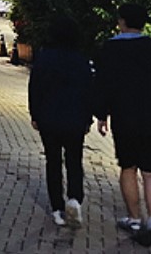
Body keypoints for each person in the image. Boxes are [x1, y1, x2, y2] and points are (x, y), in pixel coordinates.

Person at [93, 3, 151, 246]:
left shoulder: (110, 49)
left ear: (121, 21)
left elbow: (102, 84)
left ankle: (134, 218)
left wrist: (101, 114)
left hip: (124, 117)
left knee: (128, 167)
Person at [28, 14, 94, 227]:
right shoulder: (81, 60)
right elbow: (89, 91)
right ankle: (75, 198)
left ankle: (57, 207)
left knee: (53, 161)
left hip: (49, 118)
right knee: (74, 160)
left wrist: (35, 114)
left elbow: (35, 88)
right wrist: (88, 118)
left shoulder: (44, 58)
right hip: (75, 118)